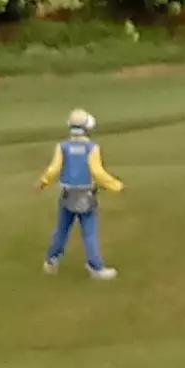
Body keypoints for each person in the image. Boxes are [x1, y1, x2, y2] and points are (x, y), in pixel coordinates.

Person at [38, 109, 123, 277]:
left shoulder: (62, 147)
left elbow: (54, 169)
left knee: (62, 230)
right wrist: (116, 186)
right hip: (86, 196)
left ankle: (51, 260)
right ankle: (96, 267)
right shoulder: (92, 148)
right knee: (89, 233)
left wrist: (43, 182)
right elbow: (98, 173)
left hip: (66, 194)